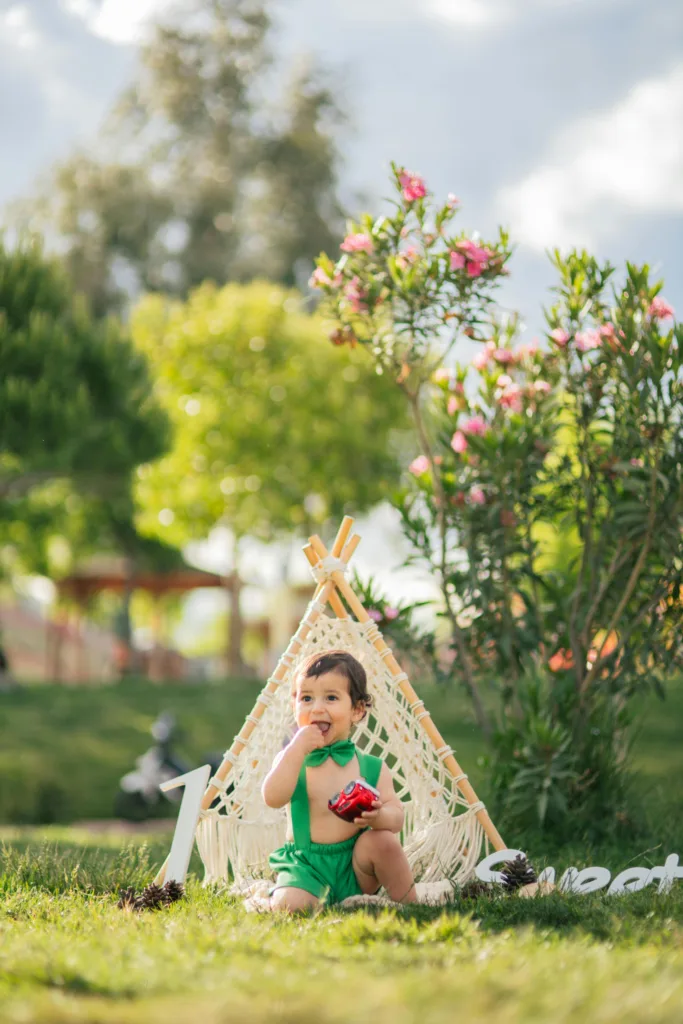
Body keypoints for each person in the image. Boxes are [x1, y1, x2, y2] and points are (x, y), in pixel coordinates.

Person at [262, 649, 417, 912]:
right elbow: (272, 798)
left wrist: (378, 818)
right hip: (306, 865)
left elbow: (397, 817)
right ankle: (296, 895)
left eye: (331, 698)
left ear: (356, 710)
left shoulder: (371, 766)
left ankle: (412, 905)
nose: (317, 708)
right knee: (290, 905)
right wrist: (296, 749)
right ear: (294, 705)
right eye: (307, 698)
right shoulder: (292, 760)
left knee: (383, 842)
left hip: (357, 865)